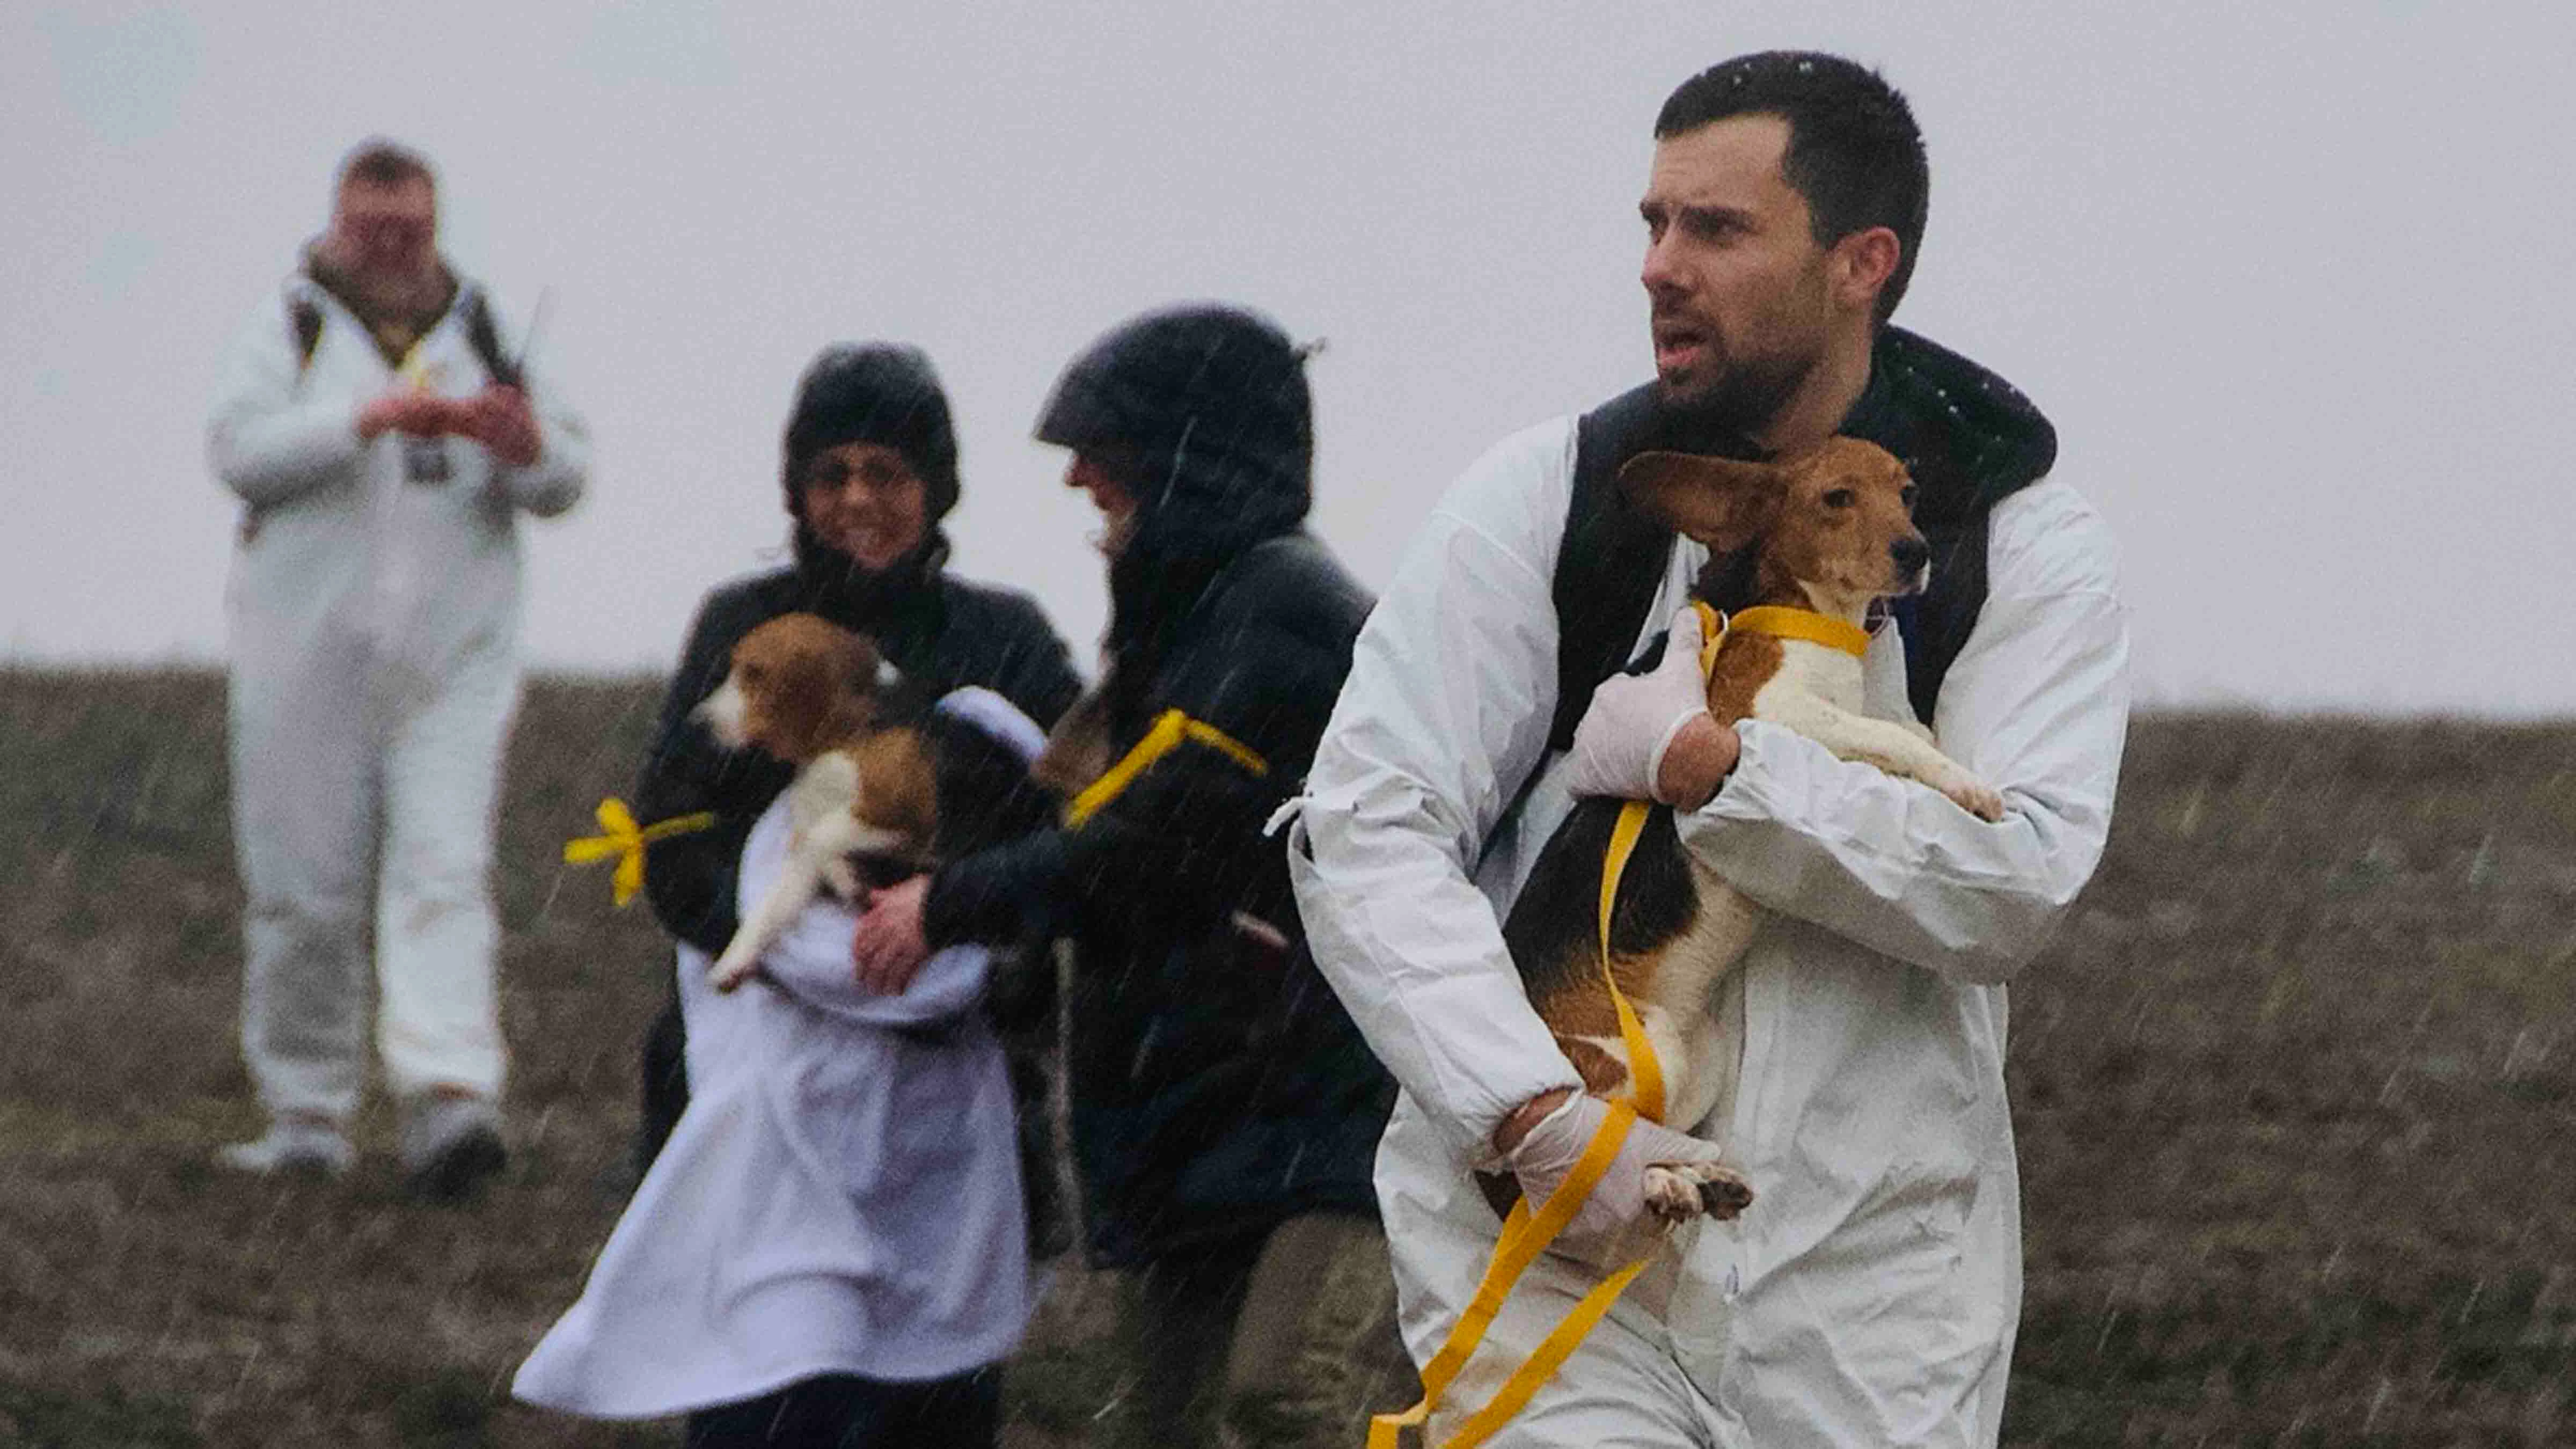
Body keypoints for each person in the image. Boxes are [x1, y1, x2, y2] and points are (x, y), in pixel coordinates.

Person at [1288, 53, 2131, 1446]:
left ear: (1863, 261)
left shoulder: (2018, 542)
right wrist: (1532, 1114)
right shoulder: (1546, 501)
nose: (1659, 268)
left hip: (1870, 1306)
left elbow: (2013, 885)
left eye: (1718, 230)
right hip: (1556, 1261)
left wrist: (1726, 778)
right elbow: (1362, 828)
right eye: (1653, 224)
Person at [847, 304, 1415, 1447]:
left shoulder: (1279, 611)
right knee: (1164, 1428)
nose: (1078, 480)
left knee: (1288, 1409)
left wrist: (950, 905)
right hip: (1221, 1139)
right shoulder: (1195, 622)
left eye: (1109, 454)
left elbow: (1167, 843)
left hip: (1334, 1136)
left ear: (1192, 460)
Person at [514, 697, 1051, 1447]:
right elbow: (687, 818)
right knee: (793, 1375)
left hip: (927, 1186)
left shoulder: (958, 935)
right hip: (801, 1194)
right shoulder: (751, 861)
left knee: (884, 1388)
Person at [207, 138, 589, 1196]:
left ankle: (450, 1102)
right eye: (371, 230)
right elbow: (238, 450)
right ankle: (306, 1115)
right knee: (301, 886)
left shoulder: (486, 327)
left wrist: (518, 443)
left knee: (443, 870)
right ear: (338, 223)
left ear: (435, 224)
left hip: (453, 660)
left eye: (410, 231)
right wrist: (366, 420)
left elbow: (565, 476)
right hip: (303, 658)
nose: (391, 249)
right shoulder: (289, 325)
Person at [627, 342, 1082, 1180]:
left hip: (951, 1057)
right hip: (756, 1050)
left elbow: (1068, 826)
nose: (858, 499)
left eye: (887, 472)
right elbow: (674, 825)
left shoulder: (1003, 638)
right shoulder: (743, 626)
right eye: (832, 474)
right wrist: (801, 957)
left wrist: (958, 932)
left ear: (935, 487)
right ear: (797, 491)